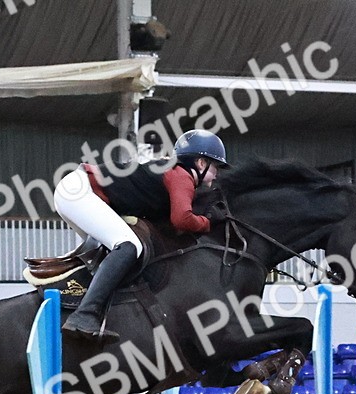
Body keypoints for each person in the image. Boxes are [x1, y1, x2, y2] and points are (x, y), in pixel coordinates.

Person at [53, 129, 230, 341]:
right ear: (201, 163)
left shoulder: (171, 171)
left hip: (75, 190)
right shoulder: (182, 176)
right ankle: (84, 315)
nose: (217, 174)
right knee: (129, 245)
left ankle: (95, 307)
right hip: (79, 192)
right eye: (215, 167)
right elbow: (181, 219)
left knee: (116, 253)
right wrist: (208, 222)